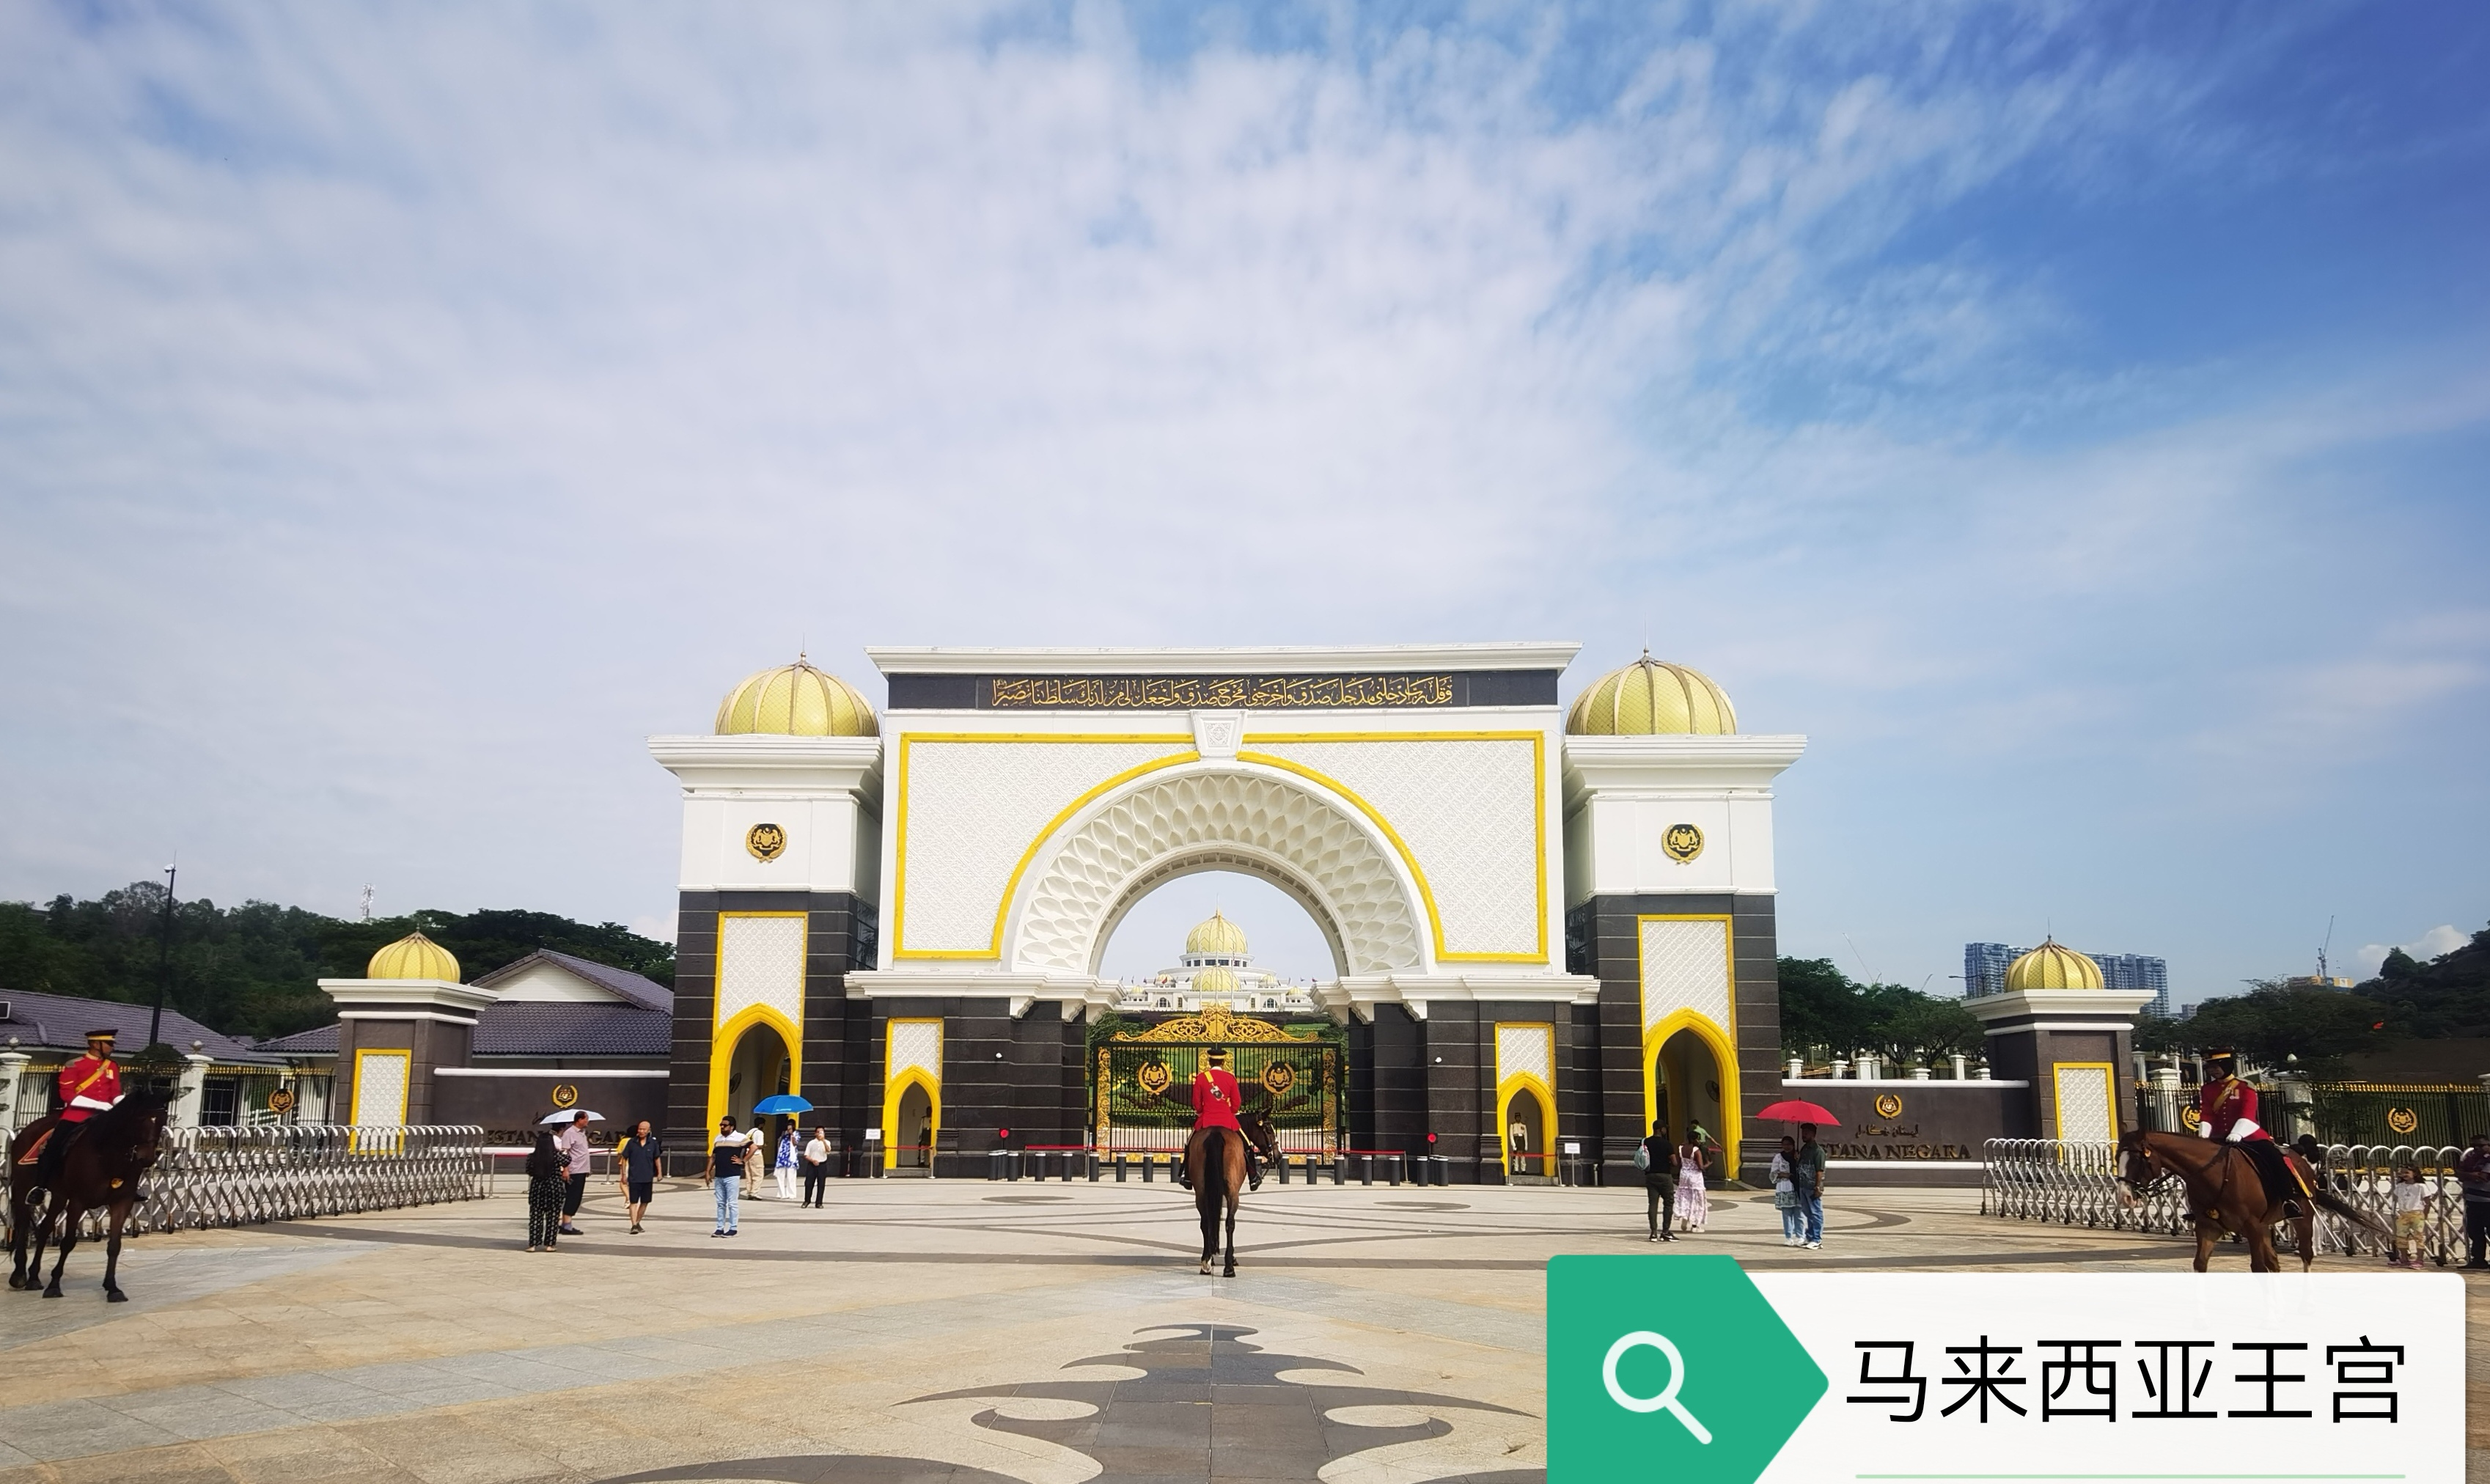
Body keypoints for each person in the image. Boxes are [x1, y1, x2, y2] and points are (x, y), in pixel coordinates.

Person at [2196, 1051, 2308, 1213]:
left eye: (2216, 1067)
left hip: (2249, 1136)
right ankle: (2199, 1205)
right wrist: (2203, 1134)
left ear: (2227, 1066)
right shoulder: (2207, 1089)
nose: (2213, 1071)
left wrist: (2237, 1133)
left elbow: (2248, 1114)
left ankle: (2287, 1200)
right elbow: (2207, 1114)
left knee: (2274, 1158)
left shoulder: (2244, 1086)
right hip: (2218, 1136)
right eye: (2210, 1068)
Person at [35, 1027, 123, 1188]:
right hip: (76, 1116)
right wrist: (98, 1104)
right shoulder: (75, 1065)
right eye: (109, 1043)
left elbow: (115, 1093)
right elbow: (67, 1095)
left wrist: (124, 1102)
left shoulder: (112, 1066)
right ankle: (40, 1186)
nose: (112, 1047)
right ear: (95, 1044)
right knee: (54, 1146)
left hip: (104, 1116)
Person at [1181, 1049, 1259, 1191]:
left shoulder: (1201, 1078)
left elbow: (1196, 1103)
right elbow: (1236, 1103)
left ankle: (1187, 1177)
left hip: (1206, 1119)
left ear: (1209, 1062)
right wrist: (1231, 1112)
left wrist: (1200, 1111)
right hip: (1227, 1120)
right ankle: (1253, 1177)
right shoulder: (1230, 1078)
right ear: (1223, 1062)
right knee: (1247, 1146)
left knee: (1189, 1143)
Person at [614, 1119, 661, 1235]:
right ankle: (634, 1225)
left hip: (647, 1177)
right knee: (633, 1202)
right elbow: (624, 1158)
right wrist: (623, 1175)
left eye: (644, 1129)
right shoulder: (631, 1143)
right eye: (640, 1129)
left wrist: (660, 1172)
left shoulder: (653, 1143)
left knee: (645, 1202)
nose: (641, 1131)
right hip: (634, 1177)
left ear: (649, 1130)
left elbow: (657, 1158)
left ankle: (638, 1222)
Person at [704, 1116, 747, 1237]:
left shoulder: (740, 1137)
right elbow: (713, 1157)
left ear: (732, 1127)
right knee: (720, 1203)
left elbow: (753, 1147)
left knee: (732, 1203)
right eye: (721, 1125)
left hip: (732, 1175)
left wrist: (743, 1160)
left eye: (725, 1125)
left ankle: (733, 1228)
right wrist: (708, 1172)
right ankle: (720, 1228)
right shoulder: (718, 1139)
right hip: (719, 1175)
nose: (722, 1127)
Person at [524, 1131, 565, 1252]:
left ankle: (533, 1244)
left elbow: (529, 1171)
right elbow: (568, 1160)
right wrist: (561, 1151)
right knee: (553, 1217)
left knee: (535, 1217)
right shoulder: (557, 1156)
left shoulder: (532, 1157)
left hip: (537, 1188)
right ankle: (550, 1245)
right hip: (554, 1188)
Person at [554, 1111, 594, 1236]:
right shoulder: (569, 1133)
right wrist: (565, 1170)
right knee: (572, 1197)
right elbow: (564, 1152)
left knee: (576, 1197)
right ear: (579, 1120)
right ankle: (566, 1225)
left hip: (582, 1170)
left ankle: (566, 1224)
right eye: (586, 1119)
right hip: (574, 1171)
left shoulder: (582, 1133)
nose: (587, 1121)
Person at [2457, 1134, 2490, 1269]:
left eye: (2481, 1146)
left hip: (2488, 1200)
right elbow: (2458, 1173)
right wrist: (2471, 1175)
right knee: (2474, 1231)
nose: (2477, 1148)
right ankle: (2478, 1260)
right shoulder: (2470, 1158)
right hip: (2473, 1200)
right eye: (2473, 1146)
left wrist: (2467, 1175)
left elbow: (2483, 1177)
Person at [1793, 1123, 1827, 1249]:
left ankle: (1817, 1239)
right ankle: (1810, 1237)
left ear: (1813, 1134)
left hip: (1812, 1186)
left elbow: (1819, 1171)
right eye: (1803, 1132)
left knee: (1816, 1213)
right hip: (1803, 1185)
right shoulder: (1804, 1149)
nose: (1804, 1135)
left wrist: (1817, 1187)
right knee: (1808, 1213)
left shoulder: (1818, 1151)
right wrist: (1797, 1159)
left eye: (1807, 1133)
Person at [1639, 1120, 1675, 1242]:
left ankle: (1653, 1232)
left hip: (1650, 1175)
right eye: (1665, 1129)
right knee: (1668, 1203)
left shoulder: (1645, 1142)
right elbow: (1675, 1162)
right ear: (1661, 1129)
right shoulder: (1667, 1144)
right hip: (1665, 1175)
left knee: (1653, 1204)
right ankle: (1665, 1232)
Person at [2390, 1163, 2428, 1270]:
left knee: (2419, 1237)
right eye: (2402, 1173)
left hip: (2417, 1214)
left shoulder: (2421, 1186)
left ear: (2414, 1173)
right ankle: (2404, 1258)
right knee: (2401, 1236)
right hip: (2403, 1214)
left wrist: (2425, 1215)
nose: (2404, 1175)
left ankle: (2419, 1259)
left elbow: (2427, 1202)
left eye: (2407, 1172)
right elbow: (2396, 1198)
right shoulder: (2400, 1186)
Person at [1675, 1131, 1709, 1233]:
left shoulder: (1681, 1148)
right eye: (1698, 1139)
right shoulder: (1696, 1151)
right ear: (1694, 1139)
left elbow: (1677, 1162)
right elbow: (1701, 1167)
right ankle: (1695, 1225)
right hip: (1695, 1177)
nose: (1699, 1141)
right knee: (1697, 1200)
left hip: (1684, 1175)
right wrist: (1709, 1164)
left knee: (1685, 1197)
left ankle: (1685, 1217)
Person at [801, 1126, 832, 1208]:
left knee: (821, 1184)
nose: (820, 1134)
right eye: (818, 1132)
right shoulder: (811, 1143)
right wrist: (813, 1160)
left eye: (822, 1132)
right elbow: (806, 1155)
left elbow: (828, 1150)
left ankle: (819, 1202)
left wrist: (823, 1141)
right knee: (809, 1183)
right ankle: (807, 1200)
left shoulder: (827, 1142)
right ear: (815, 1133)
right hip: (812, 1164)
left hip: (822, 1164)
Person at [774, 1125, 799, 1202]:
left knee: (791, 1178)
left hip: (791, 1159)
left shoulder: (796, 1134)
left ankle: (791, 1193)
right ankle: (782, 1193)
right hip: (782, 1158)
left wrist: (792, 1136)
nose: (789, 1130)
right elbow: (779, 1144)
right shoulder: (784, 1135)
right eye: (788, 1129)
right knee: (780, 1176)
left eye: (790, 1129)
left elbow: (795, 1144)